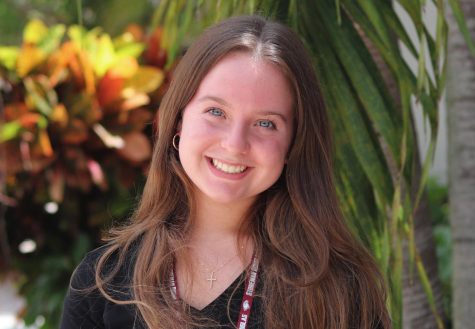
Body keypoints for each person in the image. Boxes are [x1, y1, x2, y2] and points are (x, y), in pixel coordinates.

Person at [60, 15, 391, 329]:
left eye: (265, 123)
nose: (235, 144)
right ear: (178, 120)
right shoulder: (102, 282)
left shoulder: (339, 287)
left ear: (293, 143)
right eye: (216, 111)